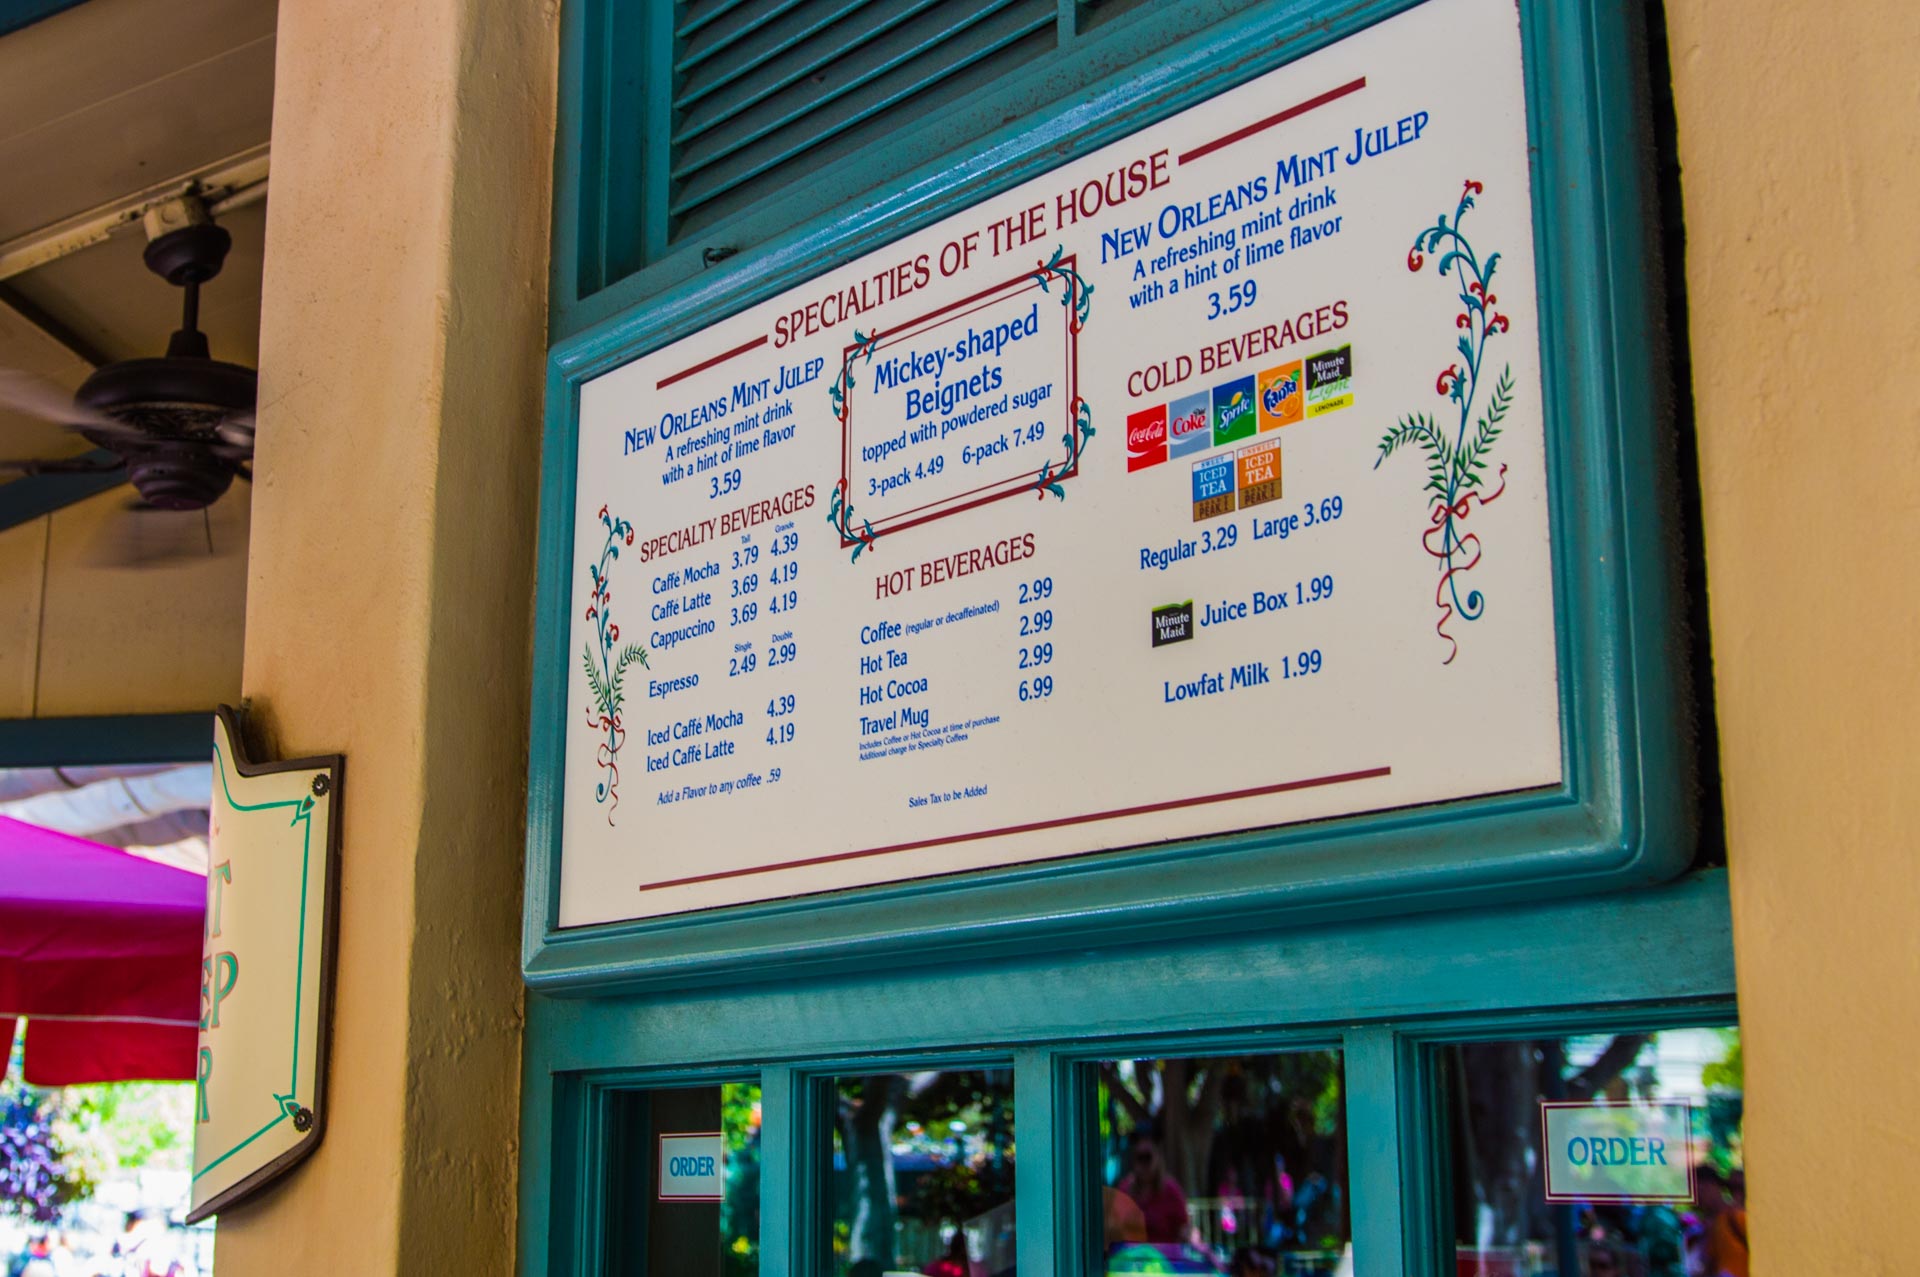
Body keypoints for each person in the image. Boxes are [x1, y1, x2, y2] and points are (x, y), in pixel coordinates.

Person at [1114, 1134, 1191, 1244]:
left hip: (1163, 1253)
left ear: (1157, 1158)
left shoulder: (1171, 1190)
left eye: (1148, 1158)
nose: (1144, 1164)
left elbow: (1184, 1227)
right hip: (1131, 1252)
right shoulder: (1125, 1189)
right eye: (1140, 1158)